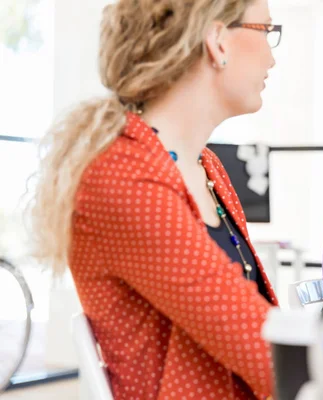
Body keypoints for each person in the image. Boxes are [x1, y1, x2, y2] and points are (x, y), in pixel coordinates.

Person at [29, 0, 282, 398]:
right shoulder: (122, 175)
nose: (271, 55)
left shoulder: (207, 167)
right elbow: (266, 351)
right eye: (266, 30)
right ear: (218, 41)